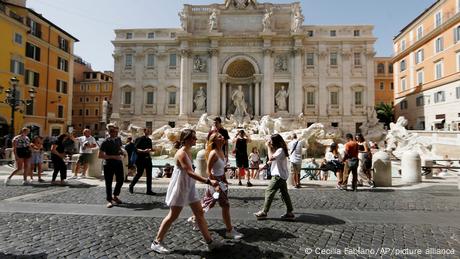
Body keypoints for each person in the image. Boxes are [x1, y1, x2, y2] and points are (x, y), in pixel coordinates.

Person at [151, 129, 223, 254]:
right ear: (187, 139)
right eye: (194, 138)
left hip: (189, 186)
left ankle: (210, 242)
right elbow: (189, 172)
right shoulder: (182, 153)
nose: (196, 140)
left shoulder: (188, 151)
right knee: (173, 215)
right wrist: (208, 181)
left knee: (199, 213)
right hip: (181, 186)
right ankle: (157, 242)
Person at [188, 132, 244, 240]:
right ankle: (229, 230)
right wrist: (215, 184)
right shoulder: (213, 153)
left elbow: (221, 169)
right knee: (225, 205)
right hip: (215, 182)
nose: (222, 137)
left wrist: (225, 179)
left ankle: (195, 218)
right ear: (214, 141)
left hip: (221, 180)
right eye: (220, 136)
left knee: (209, 203)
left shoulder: (221, 151)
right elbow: (208, 171)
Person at [254, 134, 295, 220]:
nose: (270, 143)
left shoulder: (280, 150)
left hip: (278, 176)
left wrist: (268, 147)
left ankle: (264, 212)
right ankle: (289, 213)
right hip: (282, 175)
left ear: (275, 142)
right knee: (284, 194)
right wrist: (264, 166)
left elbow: (271, 158)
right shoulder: (280, 150)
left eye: (271, 141)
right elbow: (272, 161)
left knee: (269, 191)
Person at [98, 126, 125, 208]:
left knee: (121, 179)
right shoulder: (105, 142)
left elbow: (119, 148)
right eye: (114, 132)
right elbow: (100, 155)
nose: (116, 133)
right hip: (108, 164)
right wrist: (113, 157)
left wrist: (122, 153)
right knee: (108, 182)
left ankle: (115, 195)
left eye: (117, 132)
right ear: (110, 133)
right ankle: (109, 200)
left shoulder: (118, 139)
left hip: (118, 163)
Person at [129, 128, 155, 195]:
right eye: (148, 131)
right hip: (140, 159)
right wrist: (143, 151)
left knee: (149, 175)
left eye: (149, 131)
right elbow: (135, 149)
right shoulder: (139, 139)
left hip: (148, 158)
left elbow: (150, 148)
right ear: (144, 131)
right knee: (139, 173)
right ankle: (131, 185)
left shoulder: (149, 140)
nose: (149, 132)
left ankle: (149, 190)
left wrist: (152, 150)